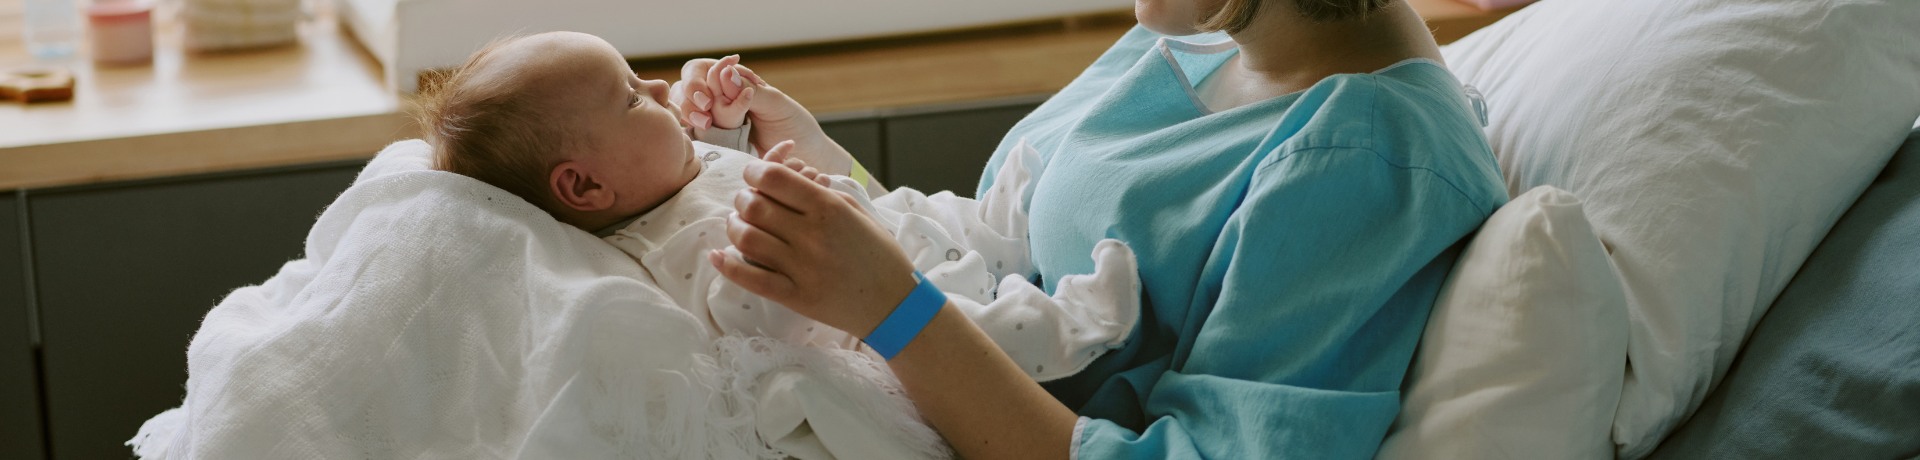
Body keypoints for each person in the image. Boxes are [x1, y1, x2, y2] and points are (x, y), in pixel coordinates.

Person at [685, 0, 1510, 457]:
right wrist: (824, 172)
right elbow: (998, 259)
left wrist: (892, 311)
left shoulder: (1364, 165)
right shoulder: (1196, 31)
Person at [414, 31, 1144, 383]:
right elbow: (778, 310)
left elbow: (716, 173)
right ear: (584, 189)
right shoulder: (690, 256)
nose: (664, 89)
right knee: (983, 328)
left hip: (903, 234)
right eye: (634, 95)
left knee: (958, 216)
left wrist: (730, 132)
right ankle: (1079, 324)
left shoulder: (661, 185)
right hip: (906, 318)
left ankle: (1013, 223)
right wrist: (786, 224)